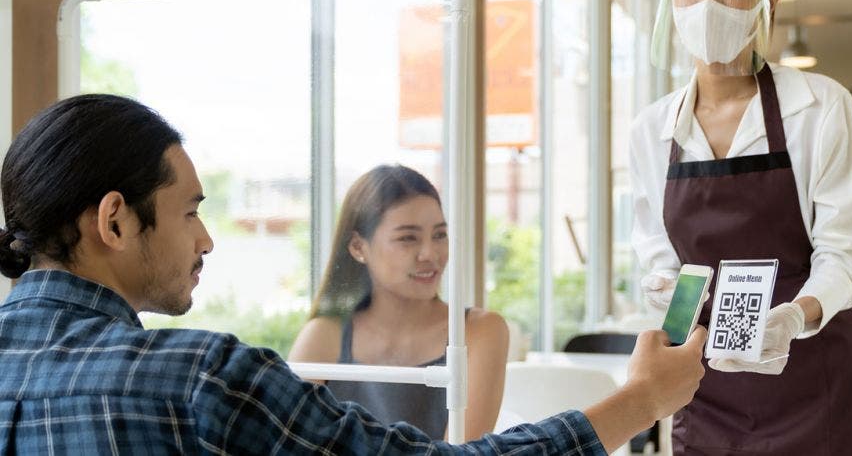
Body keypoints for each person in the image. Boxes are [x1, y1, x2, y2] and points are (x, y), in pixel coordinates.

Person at [0, 94, 706, 454]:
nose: (209, 239)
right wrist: (640, 400)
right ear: (116, 221)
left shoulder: (479, 329)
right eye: (190, 212)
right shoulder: (199, 378)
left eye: (439, 235)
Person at [631, 0, 852, 453]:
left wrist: (792, 318)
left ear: (769, 0)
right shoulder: (651, 130)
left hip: (820, 381)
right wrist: (668, 290)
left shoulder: (819, 106)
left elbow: (844, 254)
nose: (710, 0)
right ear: (672, 0)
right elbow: (662, 258)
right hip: (705, 386)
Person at [288, 165, 507, 441]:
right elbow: (288, 441)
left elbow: (464, 452)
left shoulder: (480, 330)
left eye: (439, 235)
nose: (430, 254)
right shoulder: (325, 334)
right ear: (358, 247)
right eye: (408, 238)